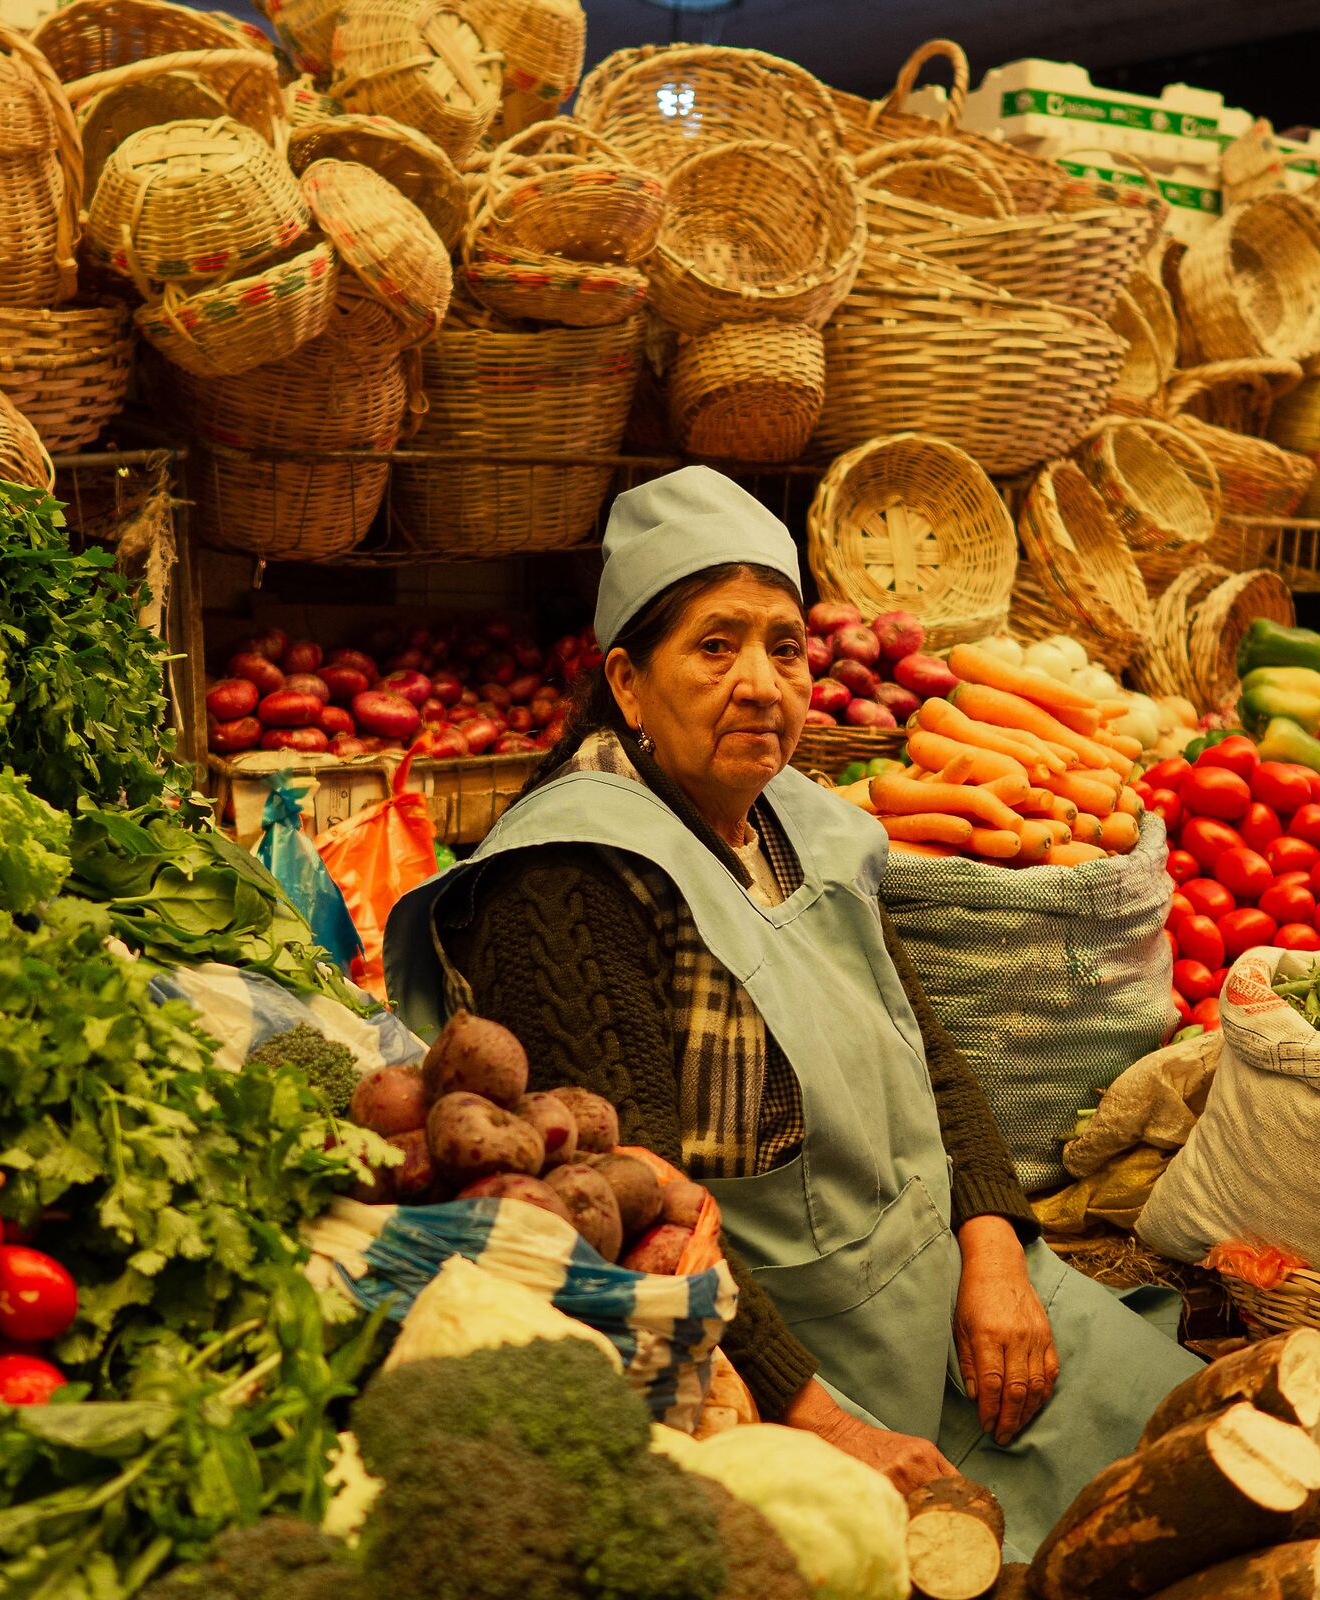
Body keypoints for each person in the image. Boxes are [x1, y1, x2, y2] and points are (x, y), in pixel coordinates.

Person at [385, 466, 1199, 1554]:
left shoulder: (799, 822)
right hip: (797, 1359)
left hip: (962, 1297)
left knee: (1210, 1436)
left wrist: (997, 1246)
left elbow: (931, 1054)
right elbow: (648, 1226)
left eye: (784, 645)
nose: (762, 682)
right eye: (715, 647)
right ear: (628, 682)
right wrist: (816, 1421)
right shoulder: (570, 880)